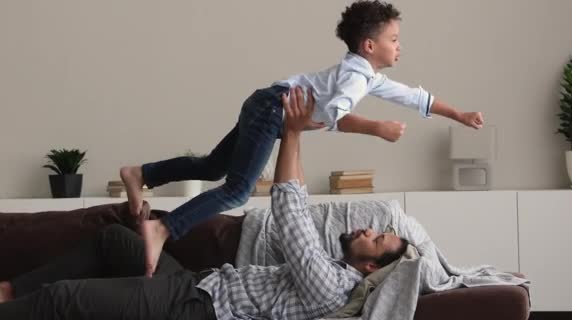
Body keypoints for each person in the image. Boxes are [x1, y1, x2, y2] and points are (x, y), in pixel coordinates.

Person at [120, 0, 485, 277]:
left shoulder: (367, 76)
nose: (399, 46)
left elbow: (416, 97)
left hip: (267, 101)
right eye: (394, 39)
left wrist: (460, 115)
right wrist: (378, 128)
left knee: (214, 166)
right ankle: (163, 228)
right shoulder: (355, 79)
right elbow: (333, 118)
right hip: (272, 109)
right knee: (238, 190)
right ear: (369, 45)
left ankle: (143, 174)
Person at [0, 87, 409, 320]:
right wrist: (291, 133)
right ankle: (10, 289)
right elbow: (298, 205)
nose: (367, 230)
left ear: (371, 267)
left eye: (376, 240)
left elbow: (289, 213)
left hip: (198, 310)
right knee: (113, 238)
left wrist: (295, 134)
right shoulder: (333, 267)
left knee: (62, 299)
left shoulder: (332, 287)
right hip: (198, 283)